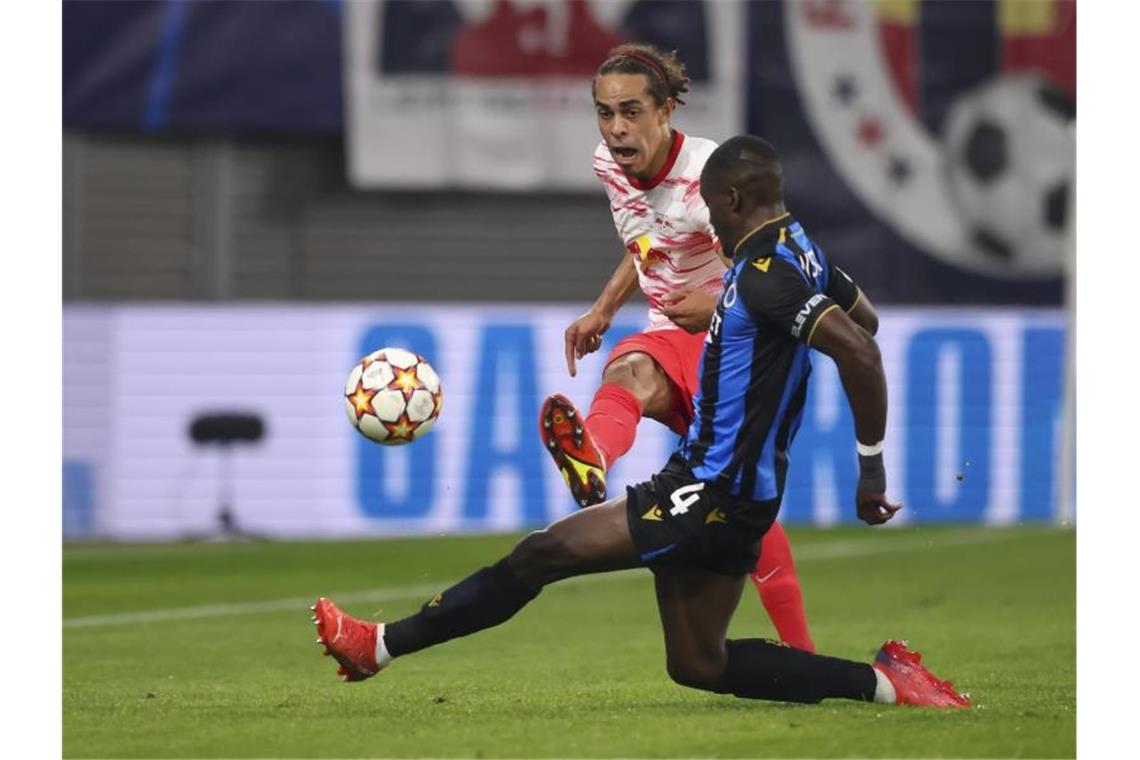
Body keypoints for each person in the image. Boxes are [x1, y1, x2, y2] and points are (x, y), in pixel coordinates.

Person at [311, 134, 971, 709]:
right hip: (742, 497)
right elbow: (867, 319)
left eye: (712, 208)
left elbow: (859, 348)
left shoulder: (766, 276)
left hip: (708, 492)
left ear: (735, 201)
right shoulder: (804, 250)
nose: (707, 220)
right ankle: (886, 682)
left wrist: (871, 466)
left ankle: (378, 646)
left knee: (541, 553)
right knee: (697, 664)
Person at [540, 43, 879, 653]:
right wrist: (604, 308)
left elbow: (765, 269)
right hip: (673, 335)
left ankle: (801, 654)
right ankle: (593, 456)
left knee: (739, 502)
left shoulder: (708, 184)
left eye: (631, 112)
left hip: (732, 341)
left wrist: (714, 302)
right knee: (631, 371)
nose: (616, 128)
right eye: (604, 113)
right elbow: (646, 238)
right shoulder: (608, 163)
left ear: (665, 111)